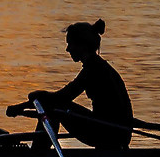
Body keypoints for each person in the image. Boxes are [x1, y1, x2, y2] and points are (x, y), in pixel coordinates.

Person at [23, 19, 132, 150]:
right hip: (115, 131)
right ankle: (39, 152)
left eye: (70, 44)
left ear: (82, 46)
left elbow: (63, 97)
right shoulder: (99, 66)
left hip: (110, 134)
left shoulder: (94, 69)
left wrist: (36, 98)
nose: (67, 49)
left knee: (55, 106)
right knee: (54, 104)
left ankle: (37, 154)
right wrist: (27, 105)